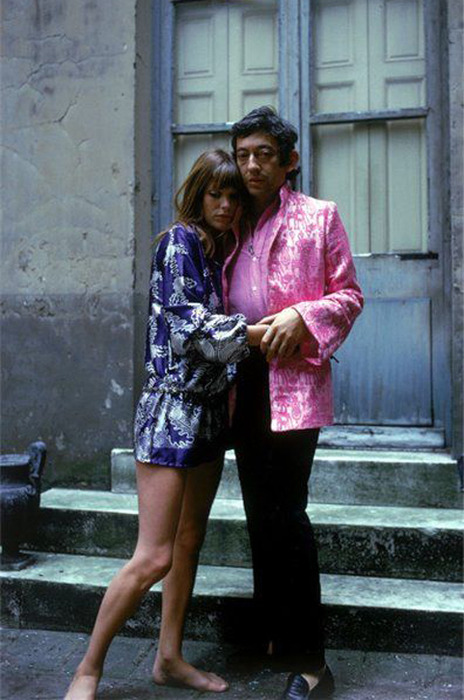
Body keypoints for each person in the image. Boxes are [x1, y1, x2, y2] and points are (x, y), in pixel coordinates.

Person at [64, 149, 267, 700]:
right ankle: (88, 668)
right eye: (215, 194)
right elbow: (189, 330)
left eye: (234, 197)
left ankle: (169, 659)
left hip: (210, 413)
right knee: (154, 555)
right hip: (172, 411)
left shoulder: (220, 250)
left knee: (189, 541)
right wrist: (262, 333)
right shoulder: (178, 243)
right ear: (197, 194)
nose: (226, 206)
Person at [223, 107, 364, 700]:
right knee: (258, 511)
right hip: (239, 378)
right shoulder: (227, 219)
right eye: (243, 155)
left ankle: (312, 665)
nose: (251, 165)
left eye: (263, 154)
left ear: (290, 161)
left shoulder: (318, 216)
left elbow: (349, 294)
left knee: (288, 513)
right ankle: (275, 635)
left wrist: (303, 316)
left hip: (294, 379)